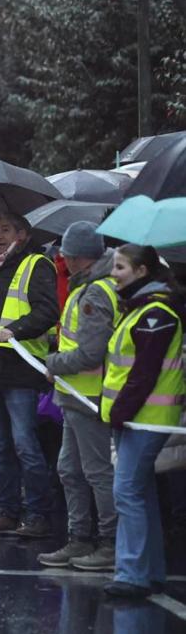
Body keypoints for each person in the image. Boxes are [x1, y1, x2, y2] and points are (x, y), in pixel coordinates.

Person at [0, 211, 59, 540]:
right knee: (0, 445)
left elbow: (48, 311)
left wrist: (16, 330)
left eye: (5, 230)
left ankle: (38, 514)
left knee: (24, 444)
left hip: (18, 370)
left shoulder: (37, 265)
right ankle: (7, 512)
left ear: (23, 234)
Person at [100, 245, 183, 600]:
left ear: (142, 272)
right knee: (141, 492)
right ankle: (149, 572)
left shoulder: (155, 314)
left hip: (145, 419)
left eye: (119, 267)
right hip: (139, 418)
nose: (113, 273)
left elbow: (144, 373)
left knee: (128, 493)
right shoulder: (141, 310)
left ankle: (132, 574)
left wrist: (120, 412)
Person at [38, 222, 118, 572]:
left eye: (65, 254)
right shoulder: (87, 287)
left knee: (97, 472)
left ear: (76, 256)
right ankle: (79, 539)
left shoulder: (96, 293)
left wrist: (54, 361)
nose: (61, 260)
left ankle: (109, 543)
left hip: (89, 397)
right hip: (74, 396)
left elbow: (90, 352)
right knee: (69, 469)